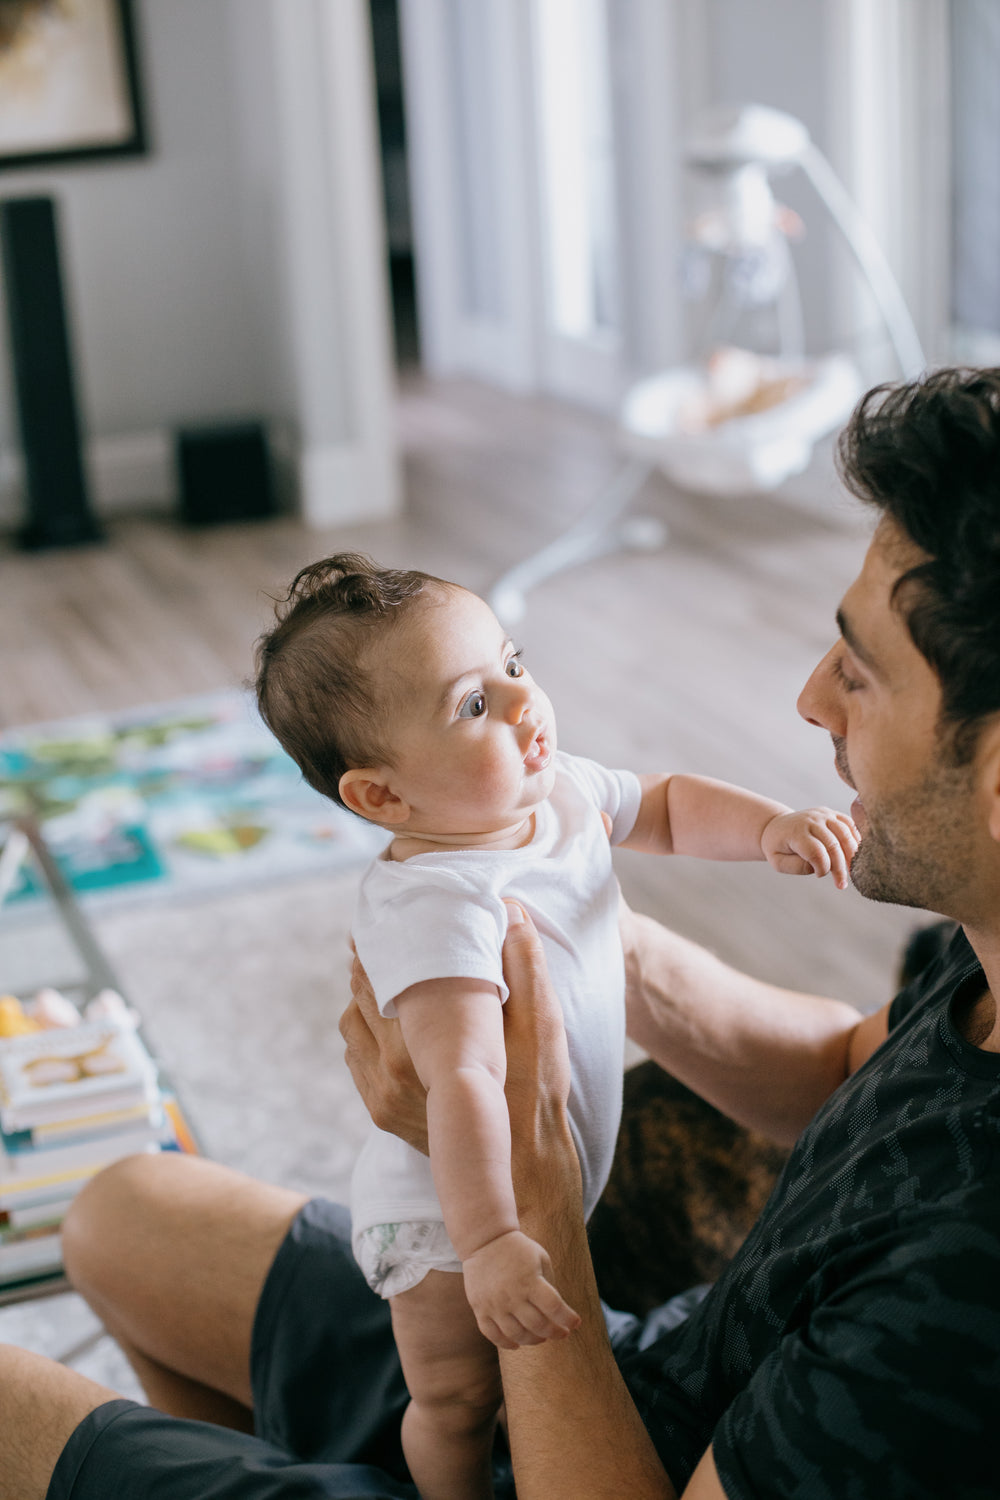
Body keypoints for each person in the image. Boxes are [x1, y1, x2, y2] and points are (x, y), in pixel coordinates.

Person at [4, 364, 999, 1500]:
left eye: (859, 674)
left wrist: (520, 1222)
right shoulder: (978, 953)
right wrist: (568, 937)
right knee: (118, 1215)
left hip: (569, 1406)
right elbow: (838, 1071)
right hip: (627, 1355)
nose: (809, 700)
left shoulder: (962, 1295)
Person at [249, 553, 857, 1500]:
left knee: (514, 1377)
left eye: (515, 664)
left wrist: (772, 828)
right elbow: (455, 1085)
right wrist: (488, 1240)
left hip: (542, 1179)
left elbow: (663, 804)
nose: (522, 702)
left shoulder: (556, 794)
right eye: (472, 706)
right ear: (381, 797)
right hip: (446, 1215)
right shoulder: (436, 904)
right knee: (455, 1397)